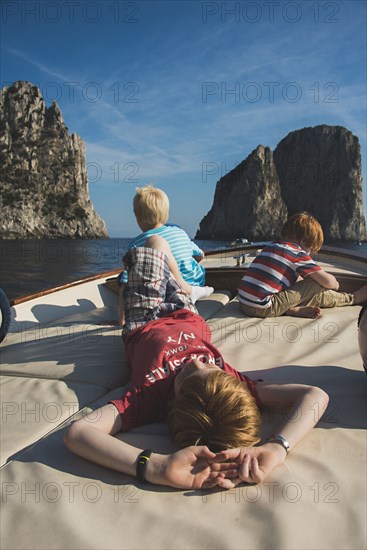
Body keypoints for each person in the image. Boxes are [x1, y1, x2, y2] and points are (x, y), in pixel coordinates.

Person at [64, 235, 329, 490]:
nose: (198, 361)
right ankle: (182, 284)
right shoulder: (236, 386)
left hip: (145, 317)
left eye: (188, 374)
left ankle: (143, 291)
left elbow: (78, 433)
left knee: (156, 243)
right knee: (166, 256)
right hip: (187, 313)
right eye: (210, 366)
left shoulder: (148, 397)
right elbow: (315, 395)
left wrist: (156, 467)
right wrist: (277, 448)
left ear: (175, 401)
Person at [238, 212, 367, 319]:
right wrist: (335, 284)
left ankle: (291, 309)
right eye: (310, 249)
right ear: (304, 241)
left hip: (243, 303)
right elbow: (328, 282)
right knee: (317, 284)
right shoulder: (297, 253)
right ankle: (352, 298)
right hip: (264, 307)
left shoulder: (270, 246)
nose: (309, 254)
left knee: (301, 281)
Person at [118, 185, 213, 325]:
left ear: (137, 216)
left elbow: (126, 284)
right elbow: (200, 255)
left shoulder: (136, 244)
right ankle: (190, 290)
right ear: (166, 214)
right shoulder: (179, 232)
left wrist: (122, 319)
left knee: (123, 276)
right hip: (195, 282)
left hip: (164, 295)